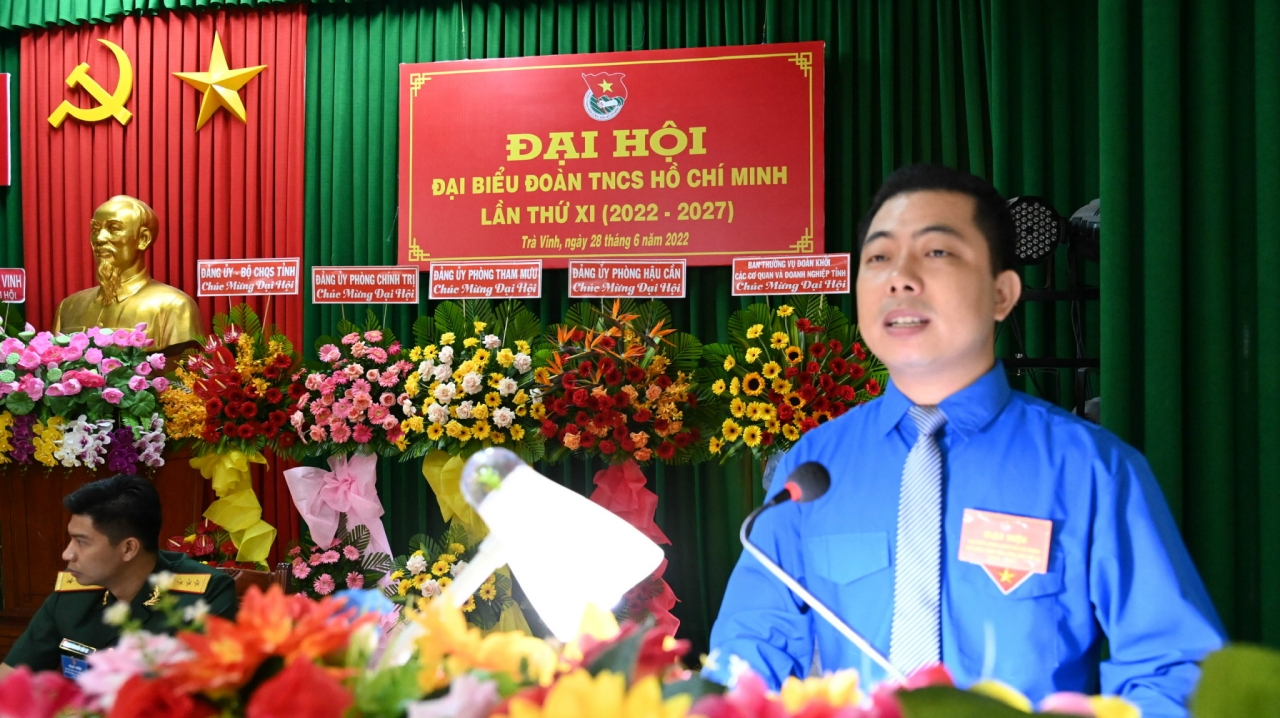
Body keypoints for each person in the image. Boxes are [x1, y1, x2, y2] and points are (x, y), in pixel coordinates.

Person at [706, 164, 1224, 718]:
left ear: (1002, 293)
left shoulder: (1091, 469)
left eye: (937, 252)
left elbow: (1174, 671)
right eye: (878, 258)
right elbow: (747, 655)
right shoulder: (813, 467)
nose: (899, 279)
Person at [0, 474, 238, 679]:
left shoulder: (205, 595)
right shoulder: (72, 595)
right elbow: (11, 676)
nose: (67, 554)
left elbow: (207, 693)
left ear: (128, 548)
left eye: (82, 542)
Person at [52, 195, 202, 352]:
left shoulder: (175, 306)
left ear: (143, 239)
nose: (99, 238)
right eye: (95, 229)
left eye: (113, 229)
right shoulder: (69, 307)